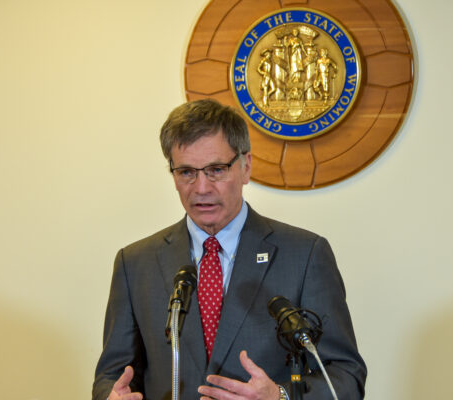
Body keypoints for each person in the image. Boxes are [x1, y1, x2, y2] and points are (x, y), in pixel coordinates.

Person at [92, 99, 367, 400]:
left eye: (216, 170)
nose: (201, 188)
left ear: (245, 167)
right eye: (186, 172)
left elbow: (345, 376)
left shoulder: (305, 255)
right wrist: (111, 396)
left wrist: (280, 396)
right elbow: (111, 376)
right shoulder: (135, 263)